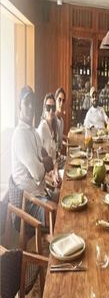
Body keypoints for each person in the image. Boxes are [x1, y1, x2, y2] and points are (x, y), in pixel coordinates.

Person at [11, 86, 58, 225]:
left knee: (67, 199)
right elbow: (38, 173)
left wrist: (44, 163)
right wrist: (44, 162)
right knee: (61, 214)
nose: (31, 107)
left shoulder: (33, 132)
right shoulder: (20, 135)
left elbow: (48, 160)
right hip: (28, 202)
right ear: (19, 106)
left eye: (32, 102)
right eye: (26, 103)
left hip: (41, 192)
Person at [37, 93, 62, 188]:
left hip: (53, 170)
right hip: (44, 176)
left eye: (53, 107)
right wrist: (51, 174)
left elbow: (54, 159)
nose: (51, 111)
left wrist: (55, 172)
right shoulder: (42, 128)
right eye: (48, 107)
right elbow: (39, 160)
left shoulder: (55, 126)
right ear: (44, 109)